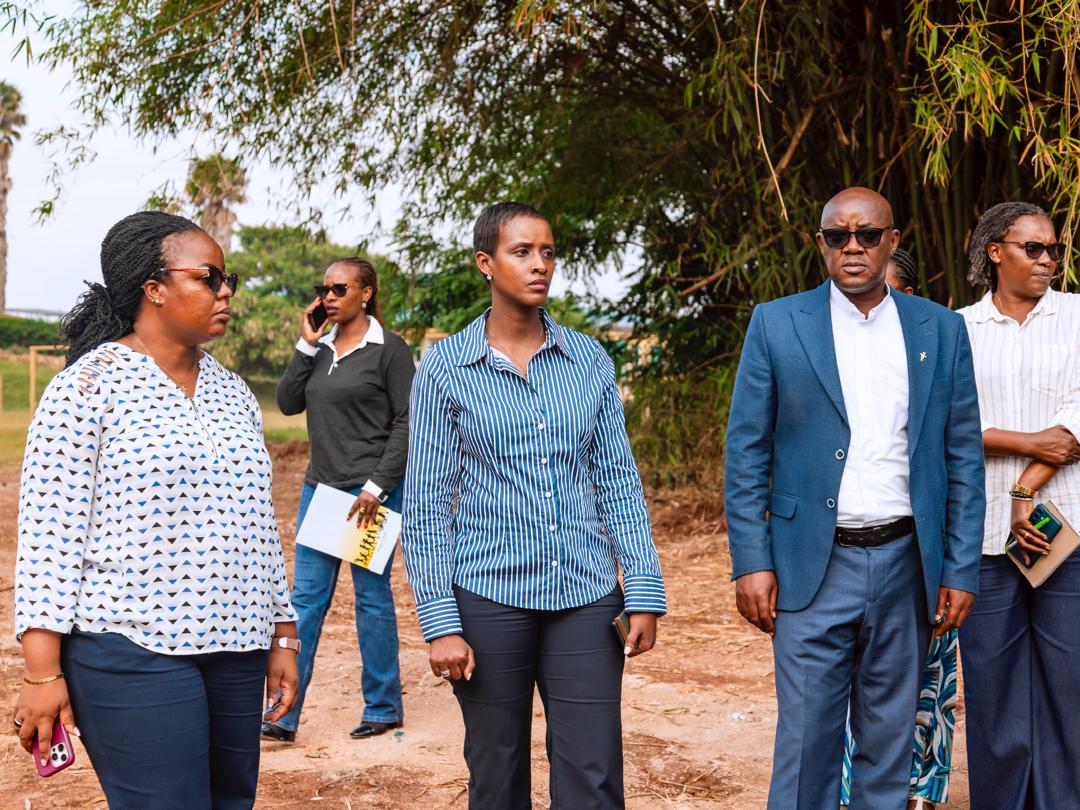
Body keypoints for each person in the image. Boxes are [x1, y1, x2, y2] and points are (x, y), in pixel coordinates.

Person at [13, 211, 299, 809]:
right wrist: (42, 673)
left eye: (230, 279)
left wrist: (282, 633)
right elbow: (49, 538)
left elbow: (257, 524)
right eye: (209, 277)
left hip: (237, 644)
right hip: (130, 648)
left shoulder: (234, 392)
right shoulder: (86, 389)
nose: (226, 292)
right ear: (154, 288)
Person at [724, 187, 985, 809]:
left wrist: (960, 567)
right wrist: (752, 561)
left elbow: (962, 457)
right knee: (805, 743)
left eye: (868, 235)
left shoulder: (940, 329)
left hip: (906, 567)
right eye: (838, 236)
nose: (853, 247)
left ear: (892, 240)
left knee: (888, 747)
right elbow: (746, 453)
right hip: (810, 565)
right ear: (821, 244)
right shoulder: (777, 322)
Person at [401, 202, 666, 809]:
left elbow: (618, 481)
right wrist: (441, 622)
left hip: (587, 594)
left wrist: (644, 588)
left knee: (593, 772)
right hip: (488, 597)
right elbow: (424, 504)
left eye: (547, 252)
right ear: (485, 264)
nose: (539, 265)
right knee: (496, 771)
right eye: (522, 252)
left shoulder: (589, 360)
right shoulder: (446, 367)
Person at [956, 202, 1080, 809]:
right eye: (1033, 248)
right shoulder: (956, 329)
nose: (1048, 259)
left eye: (1054, 249)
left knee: (1070, 688)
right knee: (993, 691)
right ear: (995, 250)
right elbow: (945, 428)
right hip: (982, 536)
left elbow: (1078, 423)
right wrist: (1029, 441)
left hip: (1068, 533)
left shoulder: (1079, 317)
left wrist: (1026, 488)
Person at [263, 257, 414, 743]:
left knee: (370, 599)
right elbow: (287, 402)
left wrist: (376, 489)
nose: (328, 296)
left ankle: (384, 705)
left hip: (365, 493)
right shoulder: (321, 349)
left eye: (339, 288)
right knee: (304, 602)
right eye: (323, 288)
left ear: (366, 293)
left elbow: (405, 423)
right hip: (320, 488)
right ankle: (283, 716)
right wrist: (306, 342)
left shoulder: (388, 351)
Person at [840, 247, 959, 810]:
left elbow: (960, 445)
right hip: (848, 548)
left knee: (927, 683)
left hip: (922, 547)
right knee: (851, 690)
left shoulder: (940, 340)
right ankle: (851, 790)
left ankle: (923, 790)